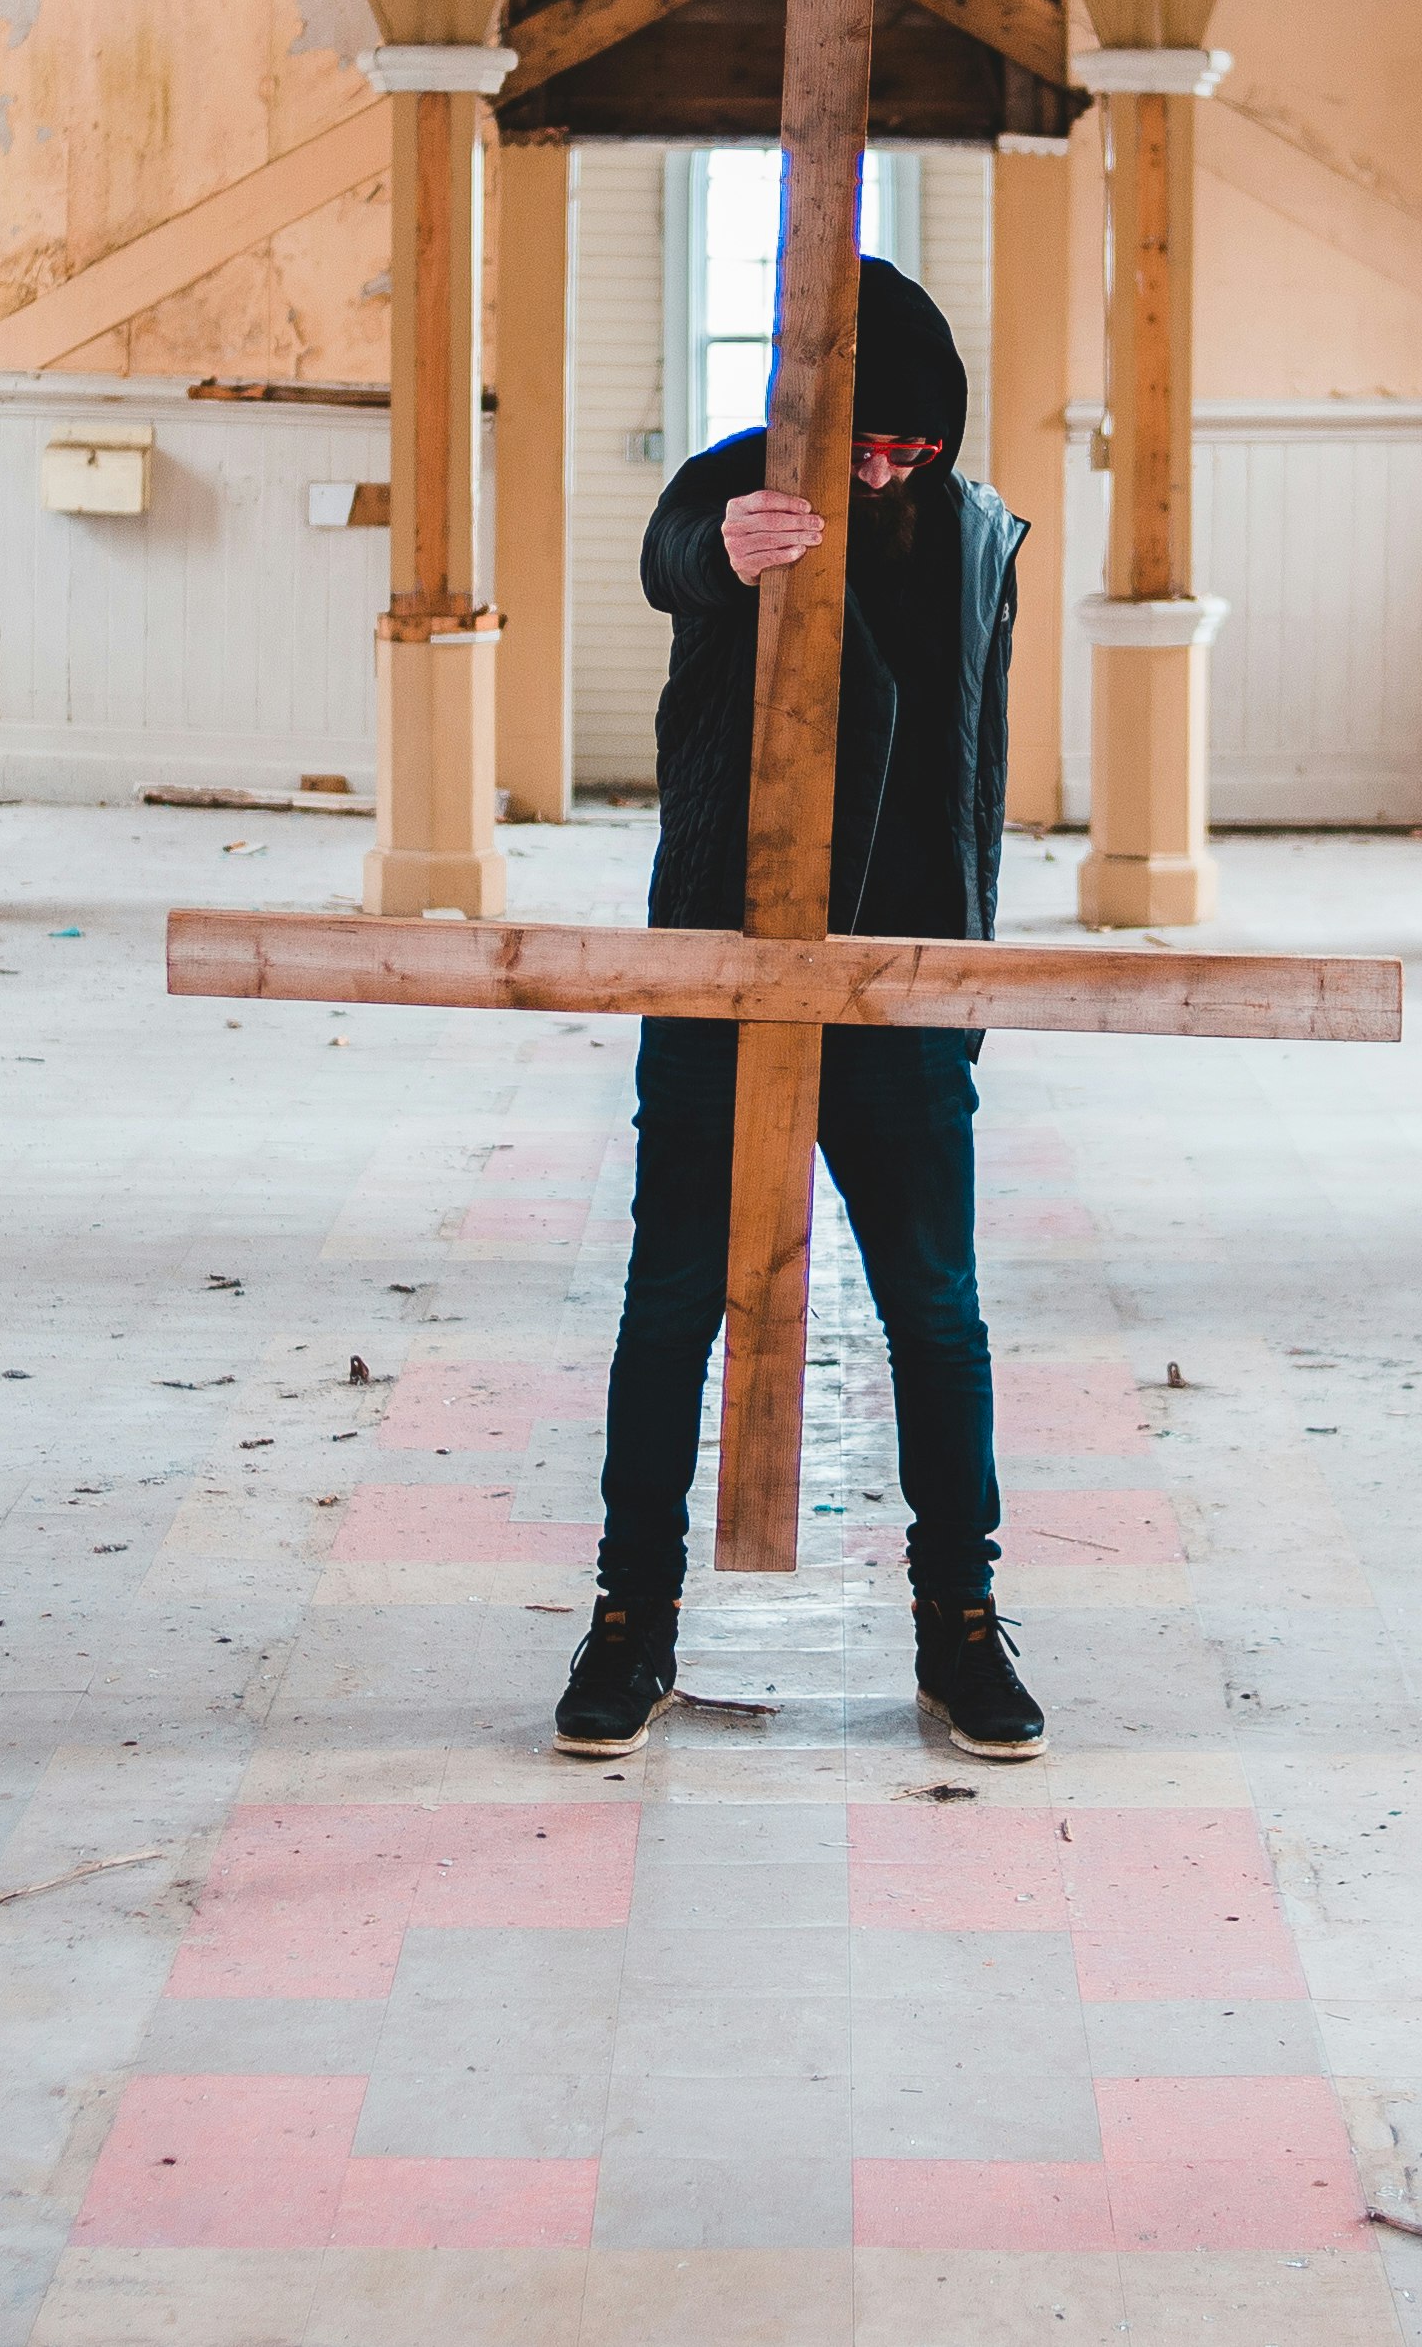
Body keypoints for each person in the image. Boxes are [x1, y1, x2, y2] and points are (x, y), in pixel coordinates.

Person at [551, 254, 1046, 1764]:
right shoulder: (733, 492)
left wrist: (959, 986)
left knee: (936, 1313)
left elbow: (977, 768)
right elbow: (671, 557)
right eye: (871, 443)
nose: (893, 469)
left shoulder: (972, 536)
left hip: (901, 986)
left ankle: (959, 1622)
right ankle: (628, 1617)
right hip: (719, 962)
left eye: (919, 448)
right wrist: (730, 547)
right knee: (670, 1300)